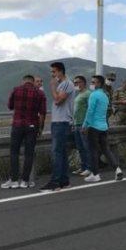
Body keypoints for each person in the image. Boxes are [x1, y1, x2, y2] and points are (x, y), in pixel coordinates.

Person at [3, 74, 46, 189]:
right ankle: (25, 181)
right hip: (32, 126)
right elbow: (42, 113)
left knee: (14, 152)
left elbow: (10, 106)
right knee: (29, 153)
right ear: (33, 82)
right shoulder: (40, 93)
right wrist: (41, 128)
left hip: (17, 125)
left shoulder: (16, 90)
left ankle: (14, 180)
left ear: (23, 81)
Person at [41, 61, 76, 192]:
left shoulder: (66, 84)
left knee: (57, 153)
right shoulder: (63, 84)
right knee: (61, 153)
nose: (52, 74)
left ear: (60, 71)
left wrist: (53, 87)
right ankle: (64, 181)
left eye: (54, 72)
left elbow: (58, 101)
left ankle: (55, 182)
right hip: (59, 122)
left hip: (61, 122)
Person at [81, 75, 123, 182]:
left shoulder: (93, 95)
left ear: (99, 83)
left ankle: (95, 174)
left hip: (93, 127)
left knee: (93, 151)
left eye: (93, 82)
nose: (92, 84)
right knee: (106, 149)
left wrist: (85, 125)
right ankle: (117, 169)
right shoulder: (105, 96)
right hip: (104, 127)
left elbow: (90, 111)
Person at [70, 75, 92, 177]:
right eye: (74, 83)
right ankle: (83, 167)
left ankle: (89, 168)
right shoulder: (78, 95)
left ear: (83, 83)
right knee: (80, 148)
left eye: (77, 82)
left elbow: (90, 109)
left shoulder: (88, 94)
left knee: (86, 147)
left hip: (83, 124)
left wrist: (86, 124)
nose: (76, 84)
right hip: (76, 124)